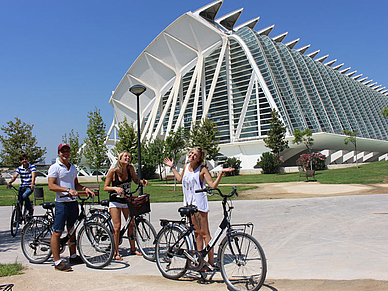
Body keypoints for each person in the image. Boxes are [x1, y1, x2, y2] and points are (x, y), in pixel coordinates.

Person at [164, 147, 234, 271]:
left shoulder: (202, 170)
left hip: (199, 205)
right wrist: (172, 167)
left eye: (195, 155)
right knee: (197, 233)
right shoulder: (186, 167)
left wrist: (220, 174)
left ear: (199, 158)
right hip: (189, 205)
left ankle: (211, 262)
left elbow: (212, 185)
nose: (192, 155)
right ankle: (199, 261)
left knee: (205, 234)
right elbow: (180, 180)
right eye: (191, 153)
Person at [48, 143, 94, 272]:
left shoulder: (73, 168)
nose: (65, 153)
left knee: (71, 229)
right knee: (57, 232)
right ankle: (57, 261)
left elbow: (76, 185)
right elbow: (51, 186)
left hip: (73, 203)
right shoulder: (54, 167)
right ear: (59, 153)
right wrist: (67, 190)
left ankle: (73, 256)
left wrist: (85, 189)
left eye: (67, 151)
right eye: (63, 151)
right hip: (62, 203)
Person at [104, 151, 148, 261]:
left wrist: (142, 182)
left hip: (126, 200)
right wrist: (115, 188)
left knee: (131, 224)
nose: (128, 158)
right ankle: (116, 252)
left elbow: (135, 180)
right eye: (125, 156)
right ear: (120, 158)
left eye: (129, 156)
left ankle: (133, 249)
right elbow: (105, 187)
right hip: (115, 201)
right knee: (117, 227)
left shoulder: (130, 169)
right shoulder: (112, 172)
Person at [7, 153, 36, 219]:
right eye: (23, 160)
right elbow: (15, 176)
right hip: (22, 186)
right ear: (21, 161)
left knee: (24, 196)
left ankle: (30, 209)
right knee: (18, 202)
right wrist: (10, 182)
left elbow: (33, 175)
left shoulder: (32, 167)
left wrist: (32, 183)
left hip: (29, 186)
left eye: (26, 159)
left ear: (28, 160)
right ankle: (18, 217)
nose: (24, 161)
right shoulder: (19, 168)